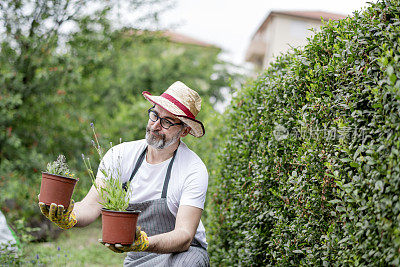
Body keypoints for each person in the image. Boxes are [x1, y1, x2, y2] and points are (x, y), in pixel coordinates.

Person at [39, 81, 210, 266]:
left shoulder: (193, 169)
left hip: (182, 255)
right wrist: (69, 216)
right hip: (138, 256)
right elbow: (92, 204)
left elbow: (184, 236)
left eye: (167, 122)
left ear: (184, 131)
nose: (155, 126)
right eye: (154, 115)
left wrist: (144, 243)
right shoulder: (120, 155)